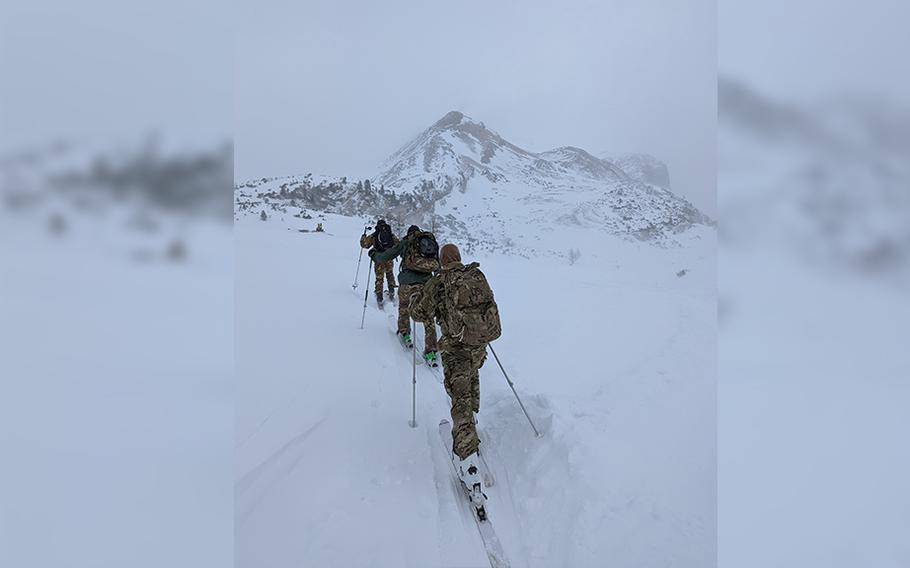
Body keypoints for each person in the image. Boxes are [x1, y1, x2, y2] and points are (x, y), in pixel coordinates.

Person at [411, 243, 501, 493]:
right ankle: (471, 427)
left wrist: (418, 296)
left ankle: (468, 462)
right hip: (478, 348)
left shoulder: (439, 283)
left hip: (455, 351)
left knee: (459, 398)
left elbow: (418, 313)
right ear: (459, 258)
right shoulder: (476, 275)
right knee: (472, 381)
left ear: (441, 261)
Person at [369, 224, 439, 364]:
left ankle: (405, 333)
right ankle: (431, 351)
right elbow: (437, 265)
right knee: (428, 315)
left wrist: (374, 255)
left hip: (407, 282)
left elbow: (386, 256)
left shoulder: (406, 242)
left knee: (404, 308)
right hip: (427, 284)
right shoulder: (430, 243)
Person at [360, 219, 398, 308]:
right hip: (388, 258)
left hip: (379, 259)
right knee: (390, 274)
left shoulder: (375, 235)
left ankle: (379, 297)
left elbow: (364, 245)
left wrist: (363, 237)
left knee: (379, 278)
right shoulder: (390, 235)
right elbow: (397, 244)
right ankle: (391, 291)